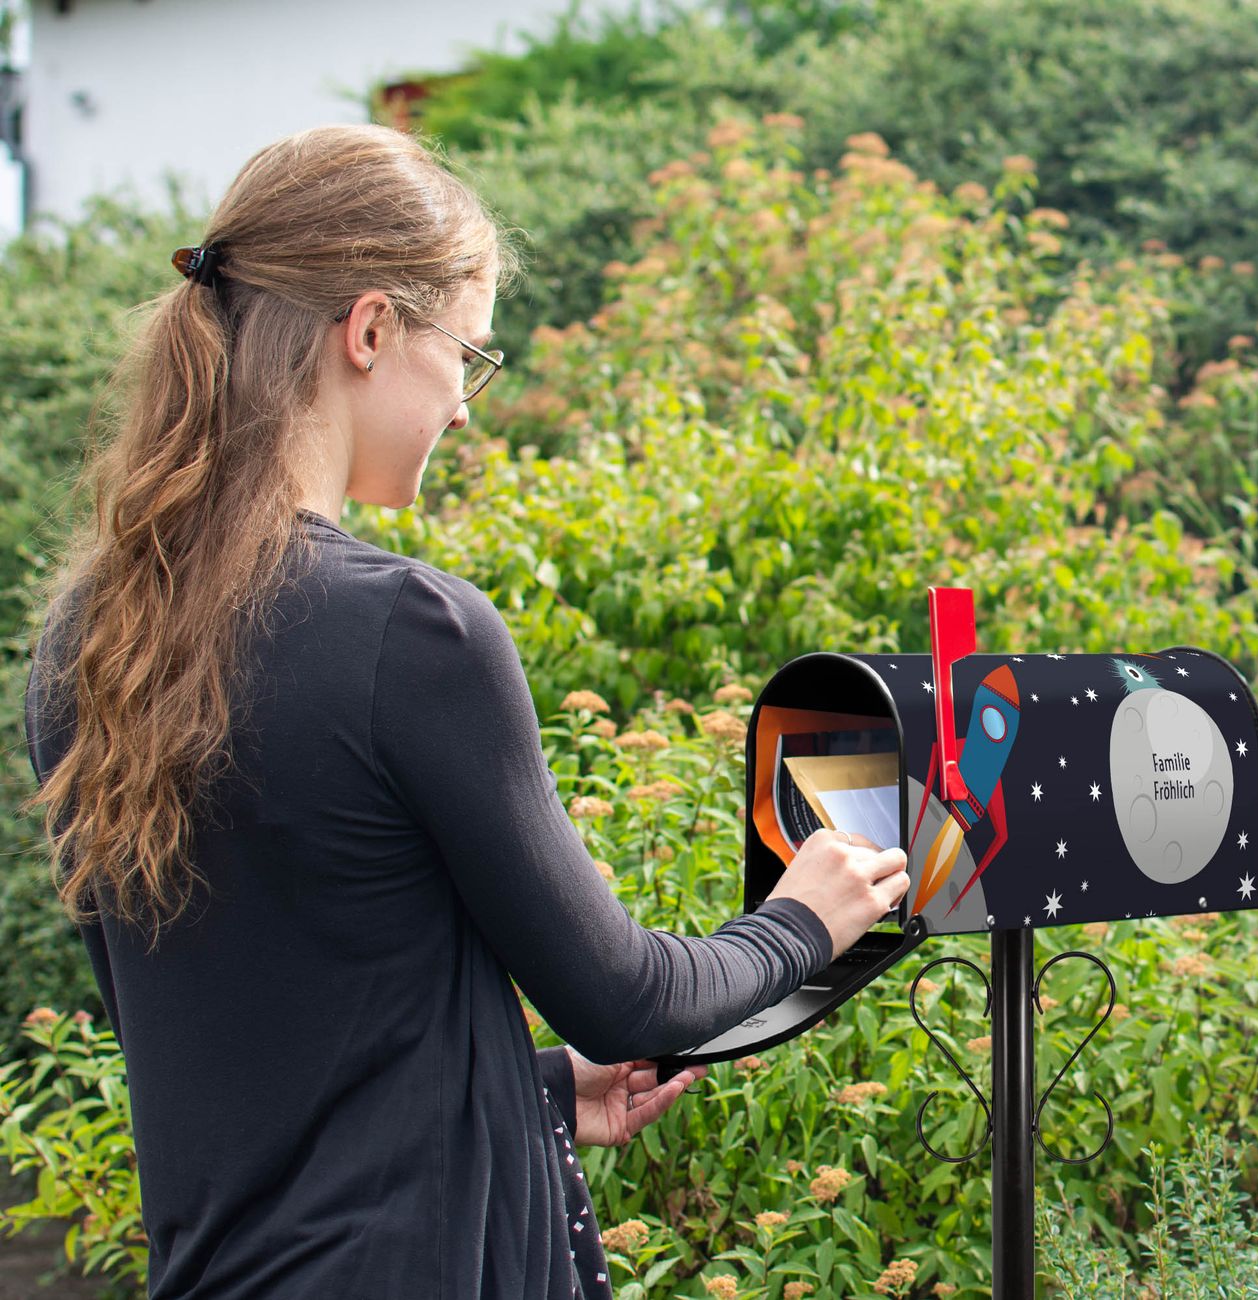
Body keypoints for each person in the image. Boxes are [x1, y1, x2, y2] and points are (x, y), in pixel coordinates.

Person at [21, 124, 910, 1300]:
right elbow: (628, 996)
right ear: (370, 329)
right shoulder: (405, 630)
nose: (465, 409)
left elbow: (238, 1046)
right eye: (467, 355)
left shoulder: (87, 640)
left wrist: (527, 1088)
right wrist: (802, 919)